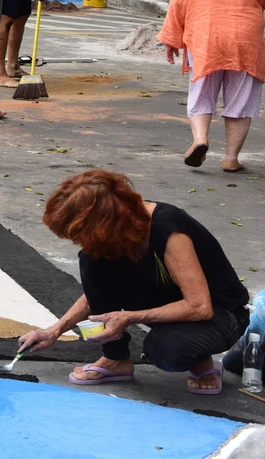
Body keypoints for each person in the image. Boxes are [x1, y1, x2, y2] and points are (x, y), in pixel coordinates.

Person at [20, 169, 248, 394]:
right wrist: (54, 331)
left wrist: (130, 317)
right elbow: (97, 293)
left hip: (220, 315)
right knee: (92, 258)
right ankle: (115, 358)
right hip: (166, 302)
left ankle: (200, 358)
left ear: (106, 223)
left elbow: (199, 307)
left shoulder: (168, 227)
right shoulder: (120, 232)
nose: (78, 242)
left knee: (167, 351)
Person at [157, 0, 265, 172]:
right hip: (245, 38)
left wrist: (172, 38)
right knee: (240, 101)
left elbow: (179, 1)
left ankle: (201, 138)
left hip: (205, 37)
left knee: (202, 93)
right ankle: (231, 158)